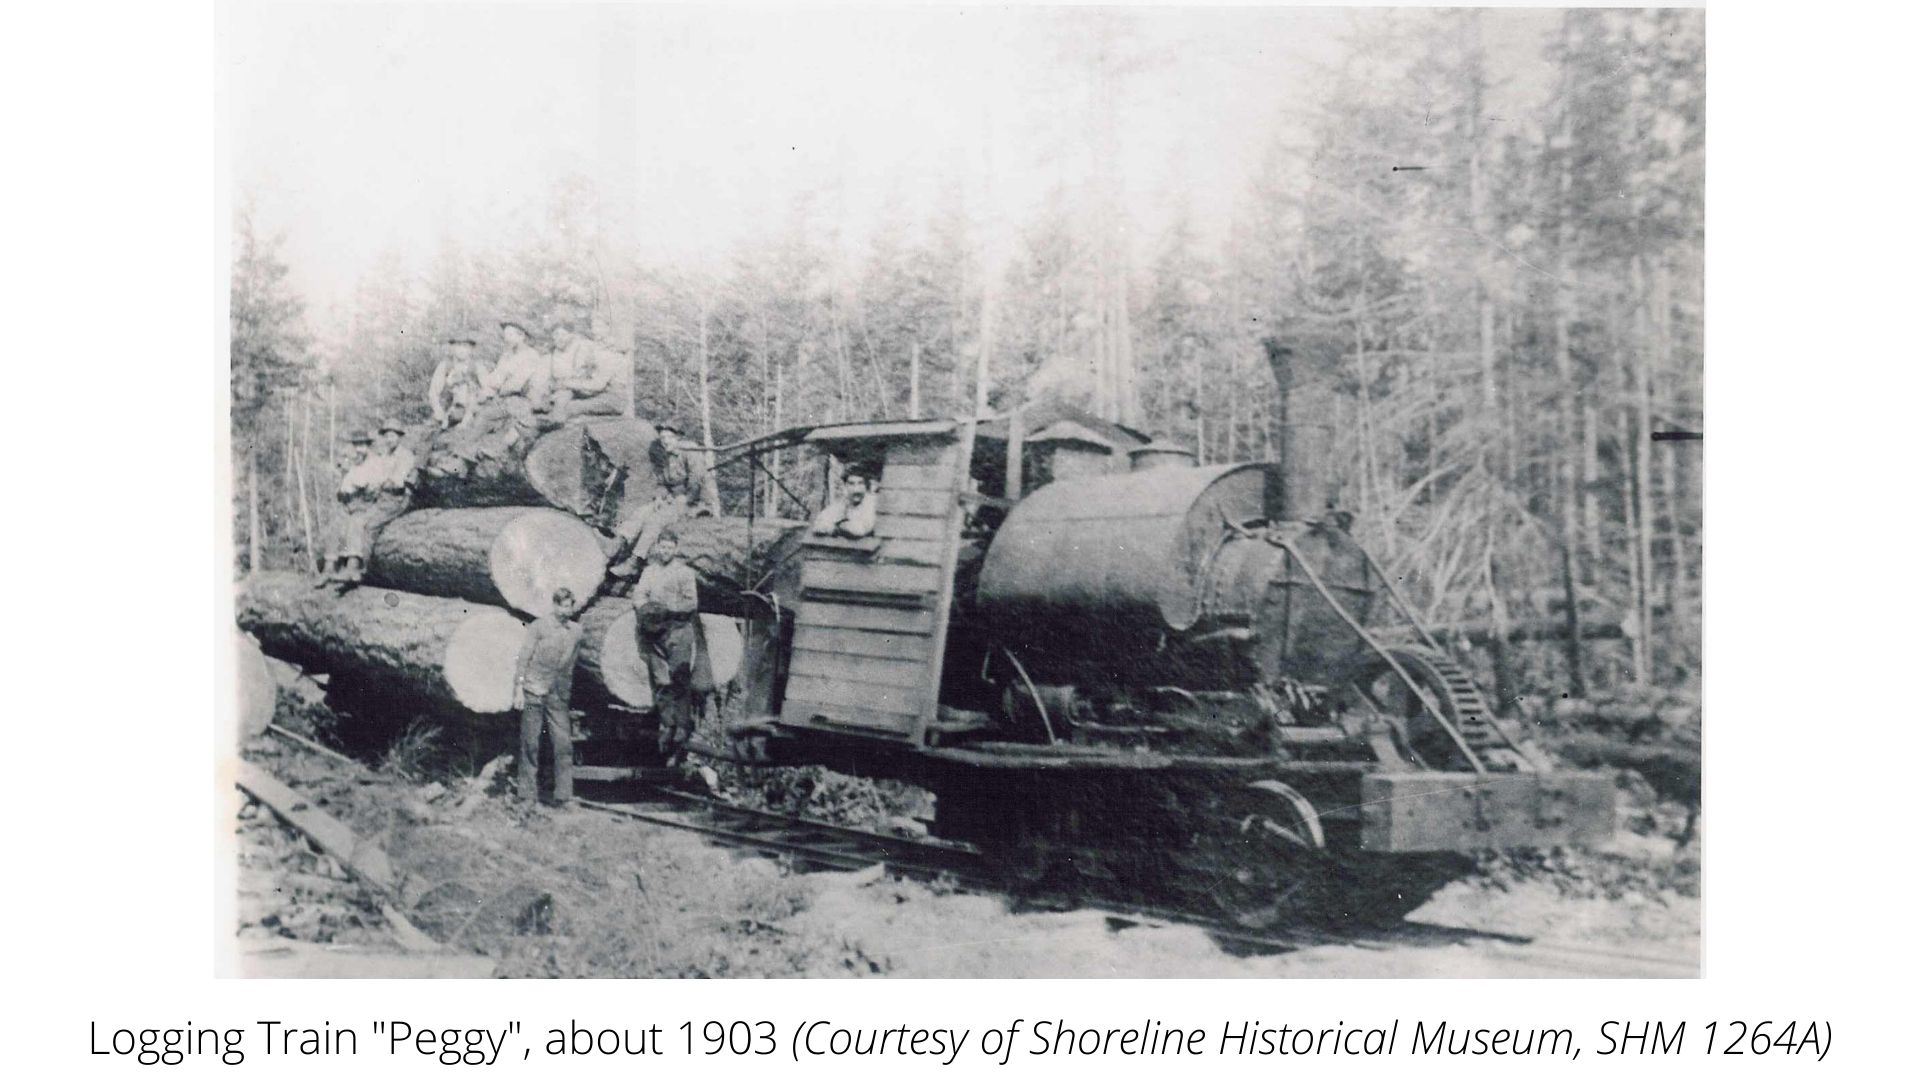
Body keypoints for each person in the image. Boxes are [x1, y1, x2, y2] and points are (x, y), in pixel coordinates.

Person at [632, 529, 701, 767]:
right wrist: (646, 608)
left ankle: (682, 726)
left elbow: (691, 602)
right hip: (655, 632)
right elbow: (639, 596)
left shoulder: (684, 573)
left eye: (669, 547)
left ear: (676, 548)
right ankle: (667, 724)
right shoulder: (649, 572)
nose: (665, 551)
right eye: (662, 546)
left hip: (678, 631)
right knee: (661, 682)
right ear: (657, 547)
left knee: (680, 678)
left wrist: (666, 608)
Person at [512, 587, 585, 808]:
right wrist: (519, 689)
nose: (566, 610)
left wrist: (565, 691)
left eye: (570, 605)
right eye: (562, 606)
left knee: (563, 745)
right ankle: (526, 795)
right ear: (554, 606)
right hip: (534, 689)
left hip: (558, 694)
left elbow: (571, 663)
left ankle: (564, 796)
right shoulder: (539, 627)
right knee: (530, 743)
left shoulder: (576, 631)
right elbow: (524, 658)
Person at [327, 421, 416, 585]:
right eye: (387, 436)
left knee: (369, 525)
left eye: (393, 435)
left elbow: (397, 482)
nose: (389, 439)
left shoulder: (405, 456)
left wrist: (380, 483)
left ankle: (360, 569)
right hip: (382, 498)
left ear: (399, 437)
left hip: (398, 498)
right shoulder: (384, 457)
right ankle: (345, 567)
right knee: (354, 521)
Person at [607, 423, 695, 575]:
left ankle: (634, 561)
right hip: (671, 499)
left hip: (692, 502)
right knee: (641, 512)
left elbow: (697, 481)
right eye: (663, 437)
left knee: (655, 520)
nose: (666, 441)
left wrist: (685, 499)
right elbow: (661, 482)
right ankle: (615, 545)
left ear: (678, 438)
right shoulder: (665, 456)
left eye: (670, 437)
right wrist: (660, 496)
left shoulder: (690, 451)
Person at [546, 320, 628, 423]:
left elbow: (598, 385)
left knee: (571, 407)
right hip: (600, 394)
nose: (595, 332)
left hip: (612, 399)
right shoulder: (599, 353)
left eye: (599, 328)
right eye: (593, 328)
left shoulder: (611, 356)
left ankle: (556, 426)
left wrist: (568, 383)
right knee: (563, 396)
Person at [428, 333, 485, 429]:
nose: (462, 350)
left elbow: (487, 389)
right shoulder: (445, 366)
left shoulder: (477, 366)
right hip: (449, 408)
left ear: (471, 349)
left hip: (470, 408)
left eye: (465, 346)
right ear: (453, 348)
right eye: (458, 346)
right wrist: (438, 410)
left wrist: (475, 406)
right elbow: (433, 393)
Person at [811, 465, 879, 539]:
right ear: (845, 486)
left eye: (860, 483)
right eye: (851, 484)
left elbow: (859, 530)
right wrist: (839, 527)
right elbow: (818, 525)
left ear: (866, 486)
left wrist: (837, 525)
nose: (856, 489)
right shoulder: (844, 503)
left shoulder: (872, 503)